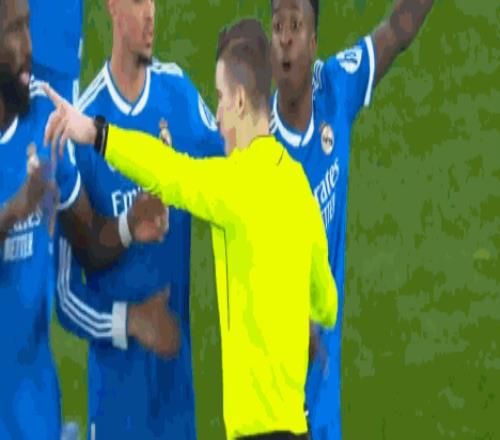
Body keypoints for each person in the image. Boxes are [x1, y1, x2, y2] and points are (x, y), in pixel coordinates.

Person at [44, 18, 338, 440]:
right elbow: (327, 303)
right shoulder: (298, 187)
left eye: (220, 98)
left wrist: (94, 132)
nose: (216, 116)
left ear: (240, 101)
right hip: (298, 427)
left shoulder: (232, 189)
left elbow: (169, 173)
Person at [52, 0, 224, 438]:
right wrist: (131, 321)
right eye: (136, 2)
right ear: (112, 7)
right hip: (117, 411)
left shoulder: (179, 96)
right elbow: (67, 298)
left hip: (177, 402)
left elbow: (234, 179)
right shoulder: (82, 126)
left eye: (153, 2)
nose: (150, 14)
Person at [269, 1, 435, 438]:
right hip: (277, 398)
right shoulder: (255, 147)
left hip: (323, 391)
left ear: (313, 43)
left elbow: (396, 30)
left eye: (295, 26)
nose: (285, 38)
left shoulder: (335, 89)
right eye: (277, 26)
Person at [0, 0, 165, 437]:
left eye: (28, 28)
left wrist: (130, 224)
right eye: (15, 32)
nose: (30, 47)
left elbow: (88, 240)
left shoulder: (44, 118)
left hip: (35, 413)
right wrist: (14, 212)